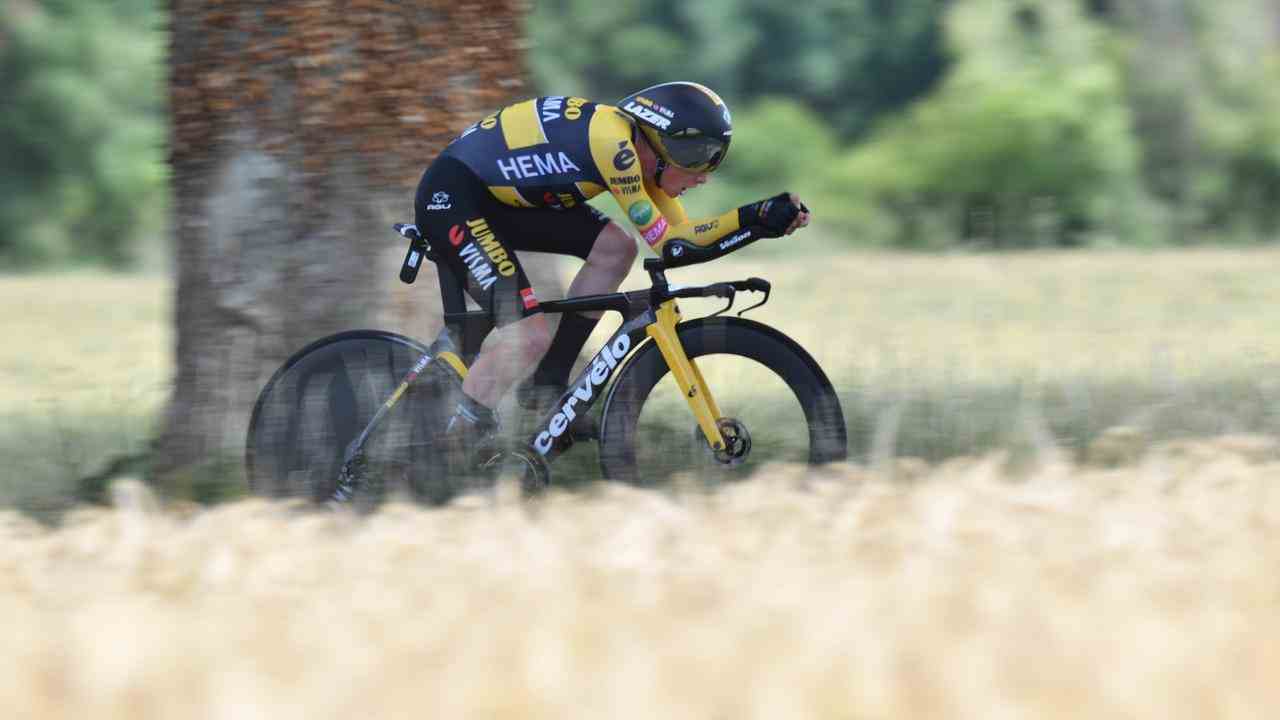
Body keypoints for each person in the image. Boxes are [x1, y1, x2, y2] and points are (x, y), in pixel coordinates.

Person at [413, 81, 809, 458]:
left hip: (501, 199)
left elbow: (682, 238)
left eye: (714, 159)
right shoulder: (614, 146)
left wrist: (760, 222)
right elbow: (673, 247)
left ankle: (547, 385)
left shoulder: (639, 150)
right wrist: (753, 218)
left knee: (616, 248)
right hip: (455, 198)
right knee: (527, 335)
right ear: (659, 142)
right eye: (697, 157)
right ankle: (450, 450)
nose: (704, 174)